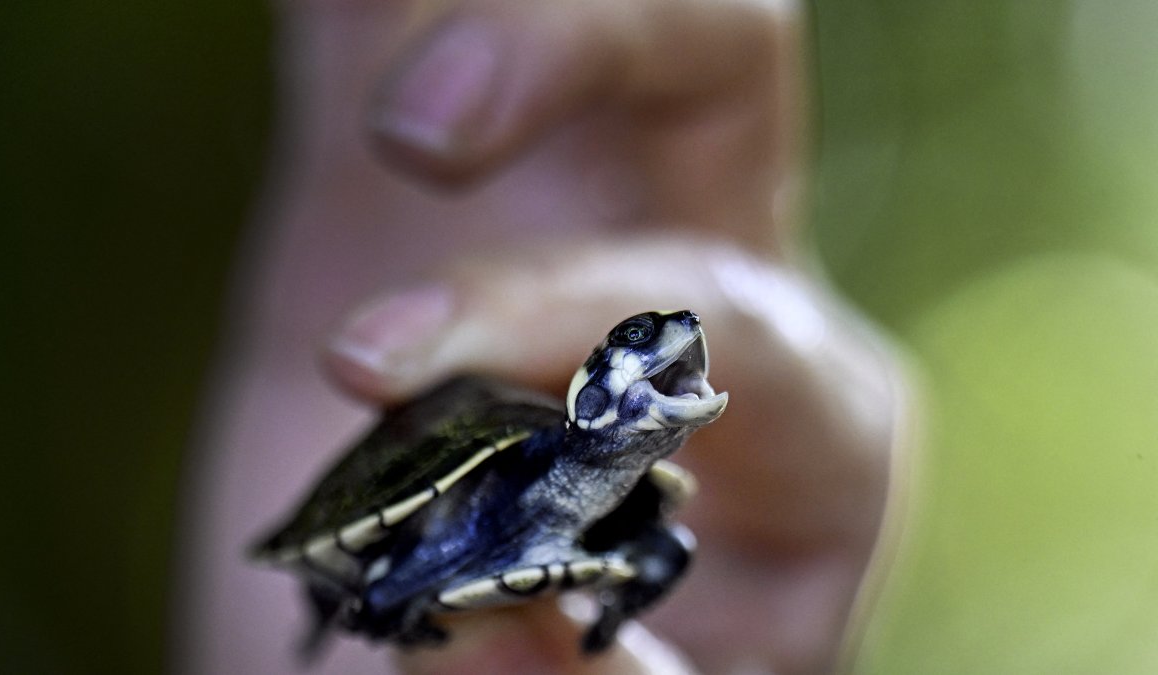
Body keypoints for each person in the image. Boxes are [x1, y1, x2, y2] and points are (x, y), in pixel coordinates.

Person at [174, 0, 911, 672]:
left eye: (677, 354)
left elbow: (658, 559)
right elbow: (402, 560)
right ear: (593, 393)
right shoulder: (504, 491)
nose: (679, 341)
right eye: (642, 339)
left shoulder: (643, 516)